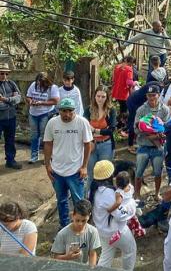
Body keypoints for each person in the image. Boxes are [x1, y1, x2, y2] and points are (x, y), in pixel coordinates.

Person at [44, 98, 93, 229]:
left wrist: (84, 166)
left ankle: (82, 228)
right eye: (63, 111)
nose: (67, 114)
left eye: (70, 111)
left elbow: (88, 145)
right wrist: (47, 165)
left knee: (79, 202)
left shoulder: (82, 122)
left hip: (75, 171)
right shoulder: (52, 123)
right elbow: (48, 144)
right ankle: (64, 226)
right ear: (59, 111)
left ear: (74, 110)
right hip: (57, 171)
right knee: (61, 201)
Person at [89, 160, 136, 270]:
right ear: (109, 176)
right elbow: (121, 215)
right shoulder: (109, 194)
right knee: (130, 250)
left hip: (102, 231)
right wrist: (132, 204)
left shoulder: (93, 189)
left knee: (106, 255)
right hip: (116, 232)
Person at [133, 85, 171, 200]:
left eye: (154, 95)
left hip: (158, 147)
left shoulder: (165, 110)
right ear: (146, 96)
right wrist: (147, 132)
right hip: (143, 145)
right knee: (138, 173)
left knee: (158, 173)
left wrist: (158, 135)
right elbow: (135, 129)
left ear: (159, 95)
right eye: (149, 95)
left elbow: (168, 127)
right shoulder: (141, 110)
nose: (151, 97)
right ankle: (137, 194)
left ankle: (157, 193)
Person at [84, 86, 116, 192]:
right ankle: (88, 198)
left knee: (105, 173)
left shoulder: (111, 110)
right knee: (91, 174)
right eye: (98, 96)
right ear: (94, 96)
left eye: (103, 96)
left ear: (107, 98)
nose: (100, 99)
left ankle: (106, 196)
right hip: (91, 144)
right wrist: (102, 131)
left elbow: (111, 130)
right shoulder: (88, 110)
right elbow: (84, 127)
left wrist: (95, 131)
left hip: (106, 144)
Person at [51, 199, 101, 266]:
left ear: (89, 216)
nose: (80, 224)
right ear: (72, 215)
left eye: (84, 221)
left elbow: (93, 254)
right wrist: (67, 257)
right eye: (77, 220)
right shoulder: (62, 234)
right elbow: (55, 258)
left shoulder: (93, 232)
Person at [26, 72, 60, 163]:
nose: (38, 85)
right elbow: (28, 96)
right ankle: (34, 156)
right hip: (33, 113)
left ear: (46, 82)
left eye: (40, 83)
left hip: (45, 114)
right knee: (34, 135)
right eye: (37, 83)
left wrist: (41, 103)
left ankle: (48, 157)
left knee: (46, 136)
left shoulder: (52, 88)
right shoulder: (33, 85)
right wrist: (30, 102)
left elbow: (56, 101)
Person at [0, 63, 22, 169]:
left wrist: (5, 99)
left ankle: (10, 160)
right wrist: (11, 101)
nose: (4, 76)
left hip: (11, 118)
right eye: (1, 73)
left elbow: (19, 98)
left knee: (10, 140)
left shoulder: (11, 83)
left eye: (6, 73)